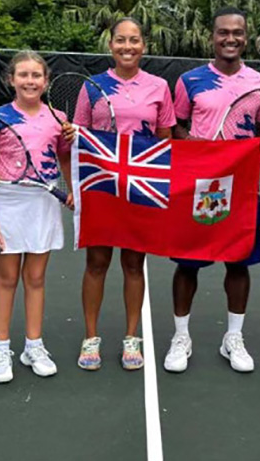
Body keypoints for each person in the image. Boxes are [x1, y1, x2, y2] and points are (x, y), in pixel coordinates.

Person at [164, 6, 260, 373]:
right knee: (188, 264)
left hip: (242, 188)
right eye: (223, 32)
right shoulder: (189, 81)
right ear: (212, 37)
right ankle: (180, 337)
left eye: (237, 32)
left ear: (246, 37)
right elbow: (176, 127)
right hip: (197, 187)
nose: (230, 38)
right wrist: (200, 148)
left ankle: (233, 337)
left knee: (238, 263)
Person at [73, 18, 176, 371]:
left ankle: (132, 338)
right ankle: (90, 338)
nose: (127, 47)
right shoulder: (92, 86)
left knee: (134, 264)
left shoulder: (159, 87)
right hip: (101, 186)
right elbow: (80, 136)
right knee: (96, 263)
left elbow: (165, 141)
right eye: (120, 40)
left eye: (134, 40)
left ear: (143, 45)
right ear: (111, 45)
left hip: (141, 188)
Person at [0, 51, 72, 382]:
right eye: (23, 75)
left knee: (35, 278)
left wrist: (72, 189)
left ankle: (33, 345)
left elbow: (65, 158)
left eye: (36, 75)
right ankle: (0, 348)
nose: (30, 81)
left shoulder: (59, 118)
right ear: (11, 79)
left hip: (44, 201)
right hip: (8, 202)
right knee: (7, 278)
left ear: (46, 82)